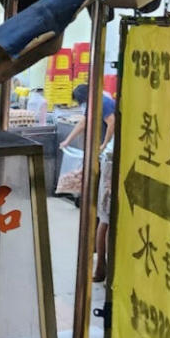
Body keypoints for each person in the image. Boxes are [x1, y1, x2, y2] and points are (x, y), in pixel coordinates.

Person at [60, 82, 116, 282]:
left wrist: (103, 145)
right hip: (105, 159)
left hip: (107, 159)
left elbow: (111, 122)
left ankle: (100, 262)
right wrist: (68, 140)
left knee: (104, 215)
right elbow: (84, 123)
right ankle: (99, 260)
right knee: (103, 215)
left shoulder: (104, 101)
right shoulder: (95, 103)